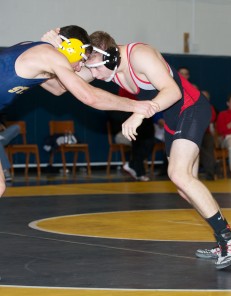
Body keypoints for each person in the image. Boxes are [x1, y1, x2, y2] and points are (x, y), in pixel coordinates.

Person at [45, 30, 231, 269]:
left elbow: (173, 92)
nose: (94, 75)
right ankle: (228, 239)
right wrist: (45, 53)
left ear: (110, 57)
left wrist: (139, 113)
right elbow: (58, 88)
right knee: (185, 187)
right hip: (173, 119)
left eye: (96, 69)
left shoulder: (140, 55)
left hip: (190, 108)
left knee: (178, 175)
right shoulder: (101, 64)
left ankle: (227, 239)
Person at [0, 25, 158, 197]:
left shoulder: (38, 54)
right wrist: (136, 105)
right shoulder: (49, 56)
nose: (78, 67)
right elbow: (90, 97)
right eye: (82, 60)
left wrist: (103, 63)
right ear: (71, 48)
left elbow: (58, 88)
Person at [199, 90, 217, 180]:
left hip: (205, 133)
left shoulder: (210, 108)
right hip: (194, 133)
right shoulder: (193, 106)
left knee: (208, 144)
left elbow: (211, 118)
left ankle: (210, 172)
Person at [0, 115, 20, 181]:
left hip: (2, 136)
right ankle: (5, 171)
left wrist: (1, 125)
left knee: (16, 127)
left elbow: (2, 125)